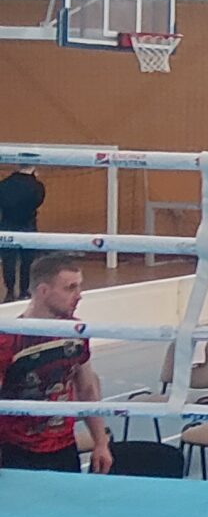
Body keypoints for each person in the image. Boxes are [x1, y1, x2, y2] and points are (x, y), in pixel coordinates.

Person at [0, 254, 112, 473]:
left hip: (64, 448)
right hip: (16, 451)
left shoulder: (76, 332)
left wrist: (100, 442)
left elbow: (87, 389)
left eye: (79, 286)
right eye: (70, 288)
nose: (79, 296)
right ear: (43, 291)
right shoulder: (8, 339)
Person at [1, 164, 47, 302]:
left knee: (8, 261)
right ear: (33, 168)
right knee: (27, 261)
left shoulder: (3, 185)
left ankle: (9, 291)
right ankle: (24, 291)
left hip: (7, 225)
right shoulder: (37, 187)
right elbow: (37, 202)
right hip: (28, 226)